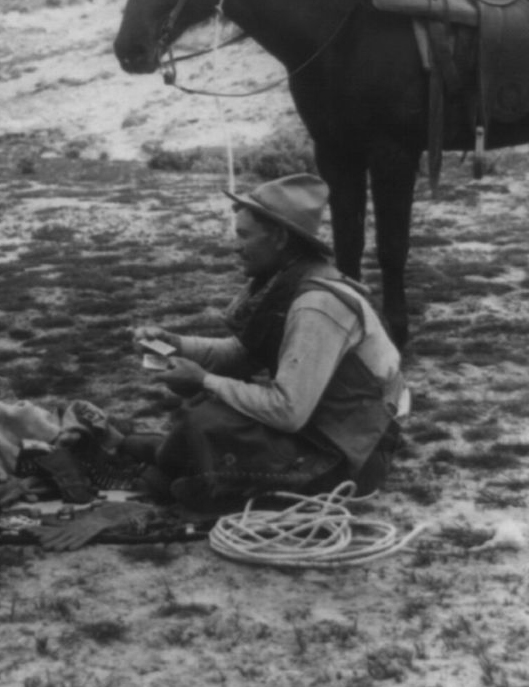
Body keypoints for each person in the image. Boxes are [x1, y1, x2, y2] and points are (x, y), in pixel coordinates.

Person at [131, 173, 407, 513]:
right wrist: (175, 344)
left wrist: (203, 380)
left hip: (353, 456)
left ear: (278, 237)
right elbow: (240, 354)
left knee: (207, 418)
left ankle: (184, 477)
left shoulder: (316, 305)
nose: (236, 246)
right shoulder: (289, 280)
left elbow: (288, 411)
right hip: (327, 432)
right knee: (208, 415)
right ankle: (177, 473)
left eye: (244, 235)